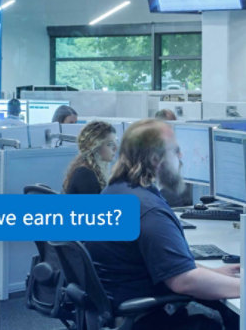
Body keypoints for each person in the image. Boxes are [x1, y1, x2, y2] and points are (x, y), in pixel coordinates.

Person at [85, 119, 239, 330]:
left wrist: (213, 273)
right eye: (175, 151)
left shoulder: (116, 190)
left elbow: (164, 262)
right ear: (157, 159)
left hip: (116, 307)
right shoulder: (149, 211)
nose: (181, 157)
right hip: (144, 317)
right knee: (225, 316)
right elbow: (183, 281)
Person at [62, 121, 117, 194]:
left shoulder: (90, 169)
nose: (115, 148)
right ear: (95, 147)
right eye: (110, 144)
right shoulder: (85, 175)